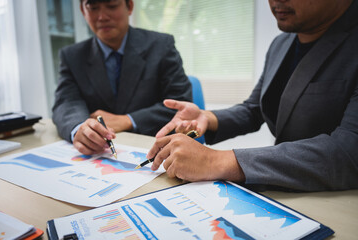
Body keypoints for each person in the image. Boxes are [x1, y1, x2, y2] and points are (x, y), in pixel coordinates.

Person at [147, 0, 358, 191]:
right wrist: (208, 118)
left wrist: (217, 161)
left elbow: (349, 150)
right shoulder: (281, 44)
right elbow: (255, 108)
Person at [52, 0, 192, 155]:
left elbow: (181, 103)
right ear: (83, 11)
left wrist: (128, 120)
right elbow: (66, 102)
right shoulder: (72, 56)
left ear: (129, 6)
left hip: (154, 150)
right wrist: (79, 128)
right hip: (99, 155)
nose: (102, 17)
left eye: (111, 6)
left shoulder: (161, 46)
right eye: (93, 7)